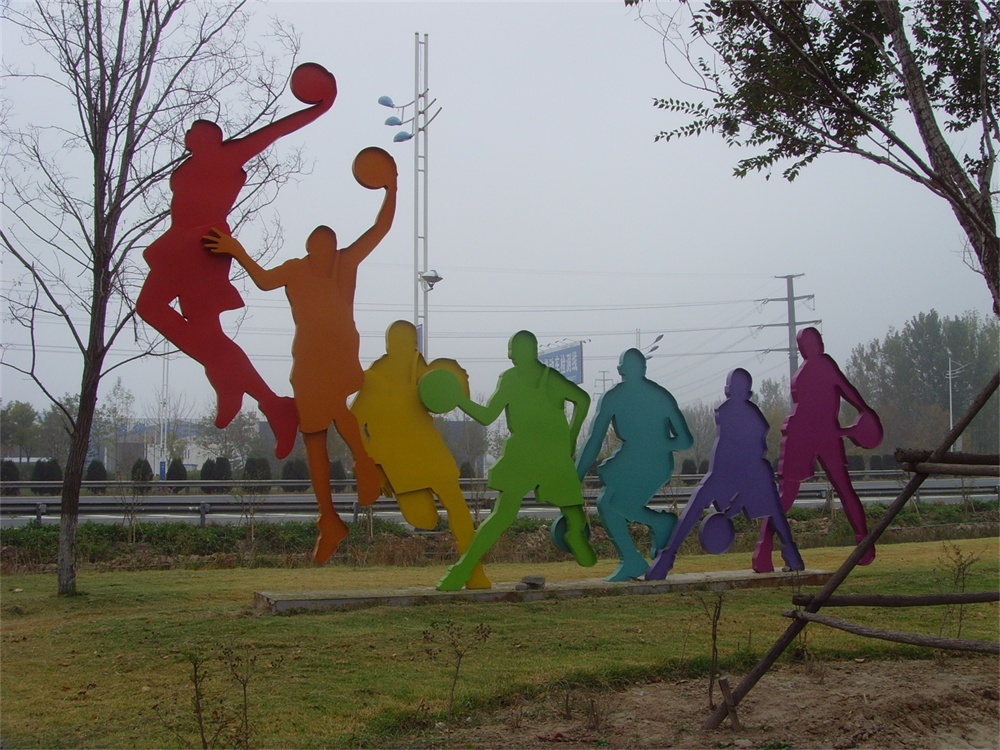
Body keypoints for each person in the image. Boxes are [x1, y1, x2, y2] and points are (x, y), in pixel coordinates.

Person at [203, 147, 397, 564]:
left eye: (326, 249)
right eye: (317, 250)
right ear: (310, 251)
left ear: (332, 249)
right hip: (308, 362)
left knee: (335, 410)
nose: (322, 256)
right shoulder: (296, 268)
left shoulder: (346, 262)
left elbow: (381, 227)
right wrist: (236, 250)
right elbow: (263, 280)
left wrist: (391, 187)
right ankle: (332, 514)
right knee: (315, 435)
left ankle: (362, 467)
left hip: (337, 356)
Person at [136, 63, 337, 459]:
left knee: (158, 311)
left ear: (209, 138)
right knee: (201, 333)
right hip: (180, 246)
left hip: (203, 248)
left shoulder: (229, 156)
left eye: (195, 132)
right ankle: (266, 401)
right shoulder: (194, 163)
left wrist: (321, 105)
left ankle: (234, 380)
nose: (188, 136)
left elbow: (275, 131)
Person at [424, 330, 597, 591]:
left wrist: (459, 399)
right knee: (565, 512)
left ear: (524, 351)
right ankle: (463, 569)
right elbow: (582, 401)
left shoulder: (526, 378)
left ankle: (461, 571)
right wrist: (570, 438)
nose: (510, 356)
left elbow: (487, 416)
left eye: (513, 350)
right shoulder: (541, 378)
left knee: (519, 515)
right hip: (539, 455)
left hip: (540, 456)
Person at [350, 320, 491, 589]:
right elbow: (353, 424)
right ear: (390, 345)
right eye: (405, 343)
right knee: (424, 519)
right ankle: (471, 569)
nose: (411, 349)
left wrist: (456, 380)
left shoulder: (423, 372)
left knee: (457, 506)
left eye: (413, 343)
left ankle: (475, 572)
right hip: (400, 462)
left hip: (430, 452)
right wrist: (375, 466)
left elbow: (448, 392)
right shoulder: (374, 380)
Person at [647, 368, 804, 579]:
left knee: (699, 505)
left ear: (728, 389)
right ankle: (792, 556)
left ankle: (666, 560)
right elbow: (756, 447)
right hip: (738, 471)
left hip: (740, 471)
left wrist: (736, 499)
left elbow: (752, 449)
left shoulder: (733, 413)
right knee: (773, 510)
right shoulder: (743, 414)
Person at [753, 327, 882, 572]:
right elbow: (848, 391)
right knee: (838, 489)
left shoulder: (810, 371)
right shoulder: (824, 366)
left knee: (788, 496)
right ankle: (864, 544)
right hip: (814, 435)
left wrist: (864, 412)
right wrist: (864, 411)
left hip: (811, 435)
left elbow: (848, 392)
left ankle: (764, 550)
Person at [576, 348, 692, 581]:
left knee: (611, 503)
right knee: (606, 502)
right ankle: (632, 557)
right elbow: (594, 439)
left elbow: (686, 440)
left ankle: (658, 525)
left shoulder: (658, 396)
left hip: (654, 462)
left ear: (622, 370)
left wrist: (655, 443)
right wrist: (576, 473)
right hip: (632, 458)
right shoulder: (618, 397)